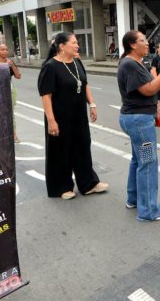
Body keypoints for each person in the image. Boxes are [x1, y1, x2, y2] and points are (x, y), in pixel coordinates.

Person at [38, 32, 108, 199]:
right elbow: (46, 95)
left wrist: (92, 104)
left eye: (77, 42)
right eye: (74, 43)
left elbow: (84, 84)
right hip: (59, 118)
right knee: (61, 152)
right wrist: (51, 121)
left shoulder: (77, 62)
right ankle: (62, 187)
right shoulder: (50, 66)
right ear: (62, 46)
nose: (77, 45)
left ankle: (89, 183)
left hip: (79, 116)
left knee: (83, 147)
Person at [118, 30, 160, 221]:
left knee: (138, 159)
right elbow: (151, 88)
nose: (147, 43)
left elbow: (150, 89)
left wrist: (156, 109)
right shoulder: (130, 64)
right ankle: (149, 210)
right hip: (138, 121)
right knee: (148, 162)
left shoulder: (135, 63)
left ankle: (134, 199)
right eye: (143, 40)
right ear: (133, 45)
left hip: (138, 118)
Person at [0, 43, 22, 142]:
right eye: (2, 49)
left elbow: (18, 76)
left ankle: (13, 134)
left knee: (10, 113)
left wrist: (12, 66)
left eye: (6, 49)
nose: (5, 51)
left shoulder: (10, 62)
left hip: (9, 90)